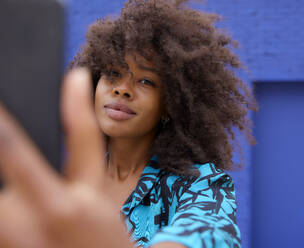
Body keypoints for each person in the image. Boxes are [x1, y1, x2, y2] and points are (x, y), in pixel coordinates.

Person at [0, 0, 257, 247]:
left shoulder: (202, 185)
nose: (123, 90)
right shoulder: (58, 179)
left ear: (170, 105)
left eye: (146, 81)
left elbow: (205, 236)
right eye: (113, 74)